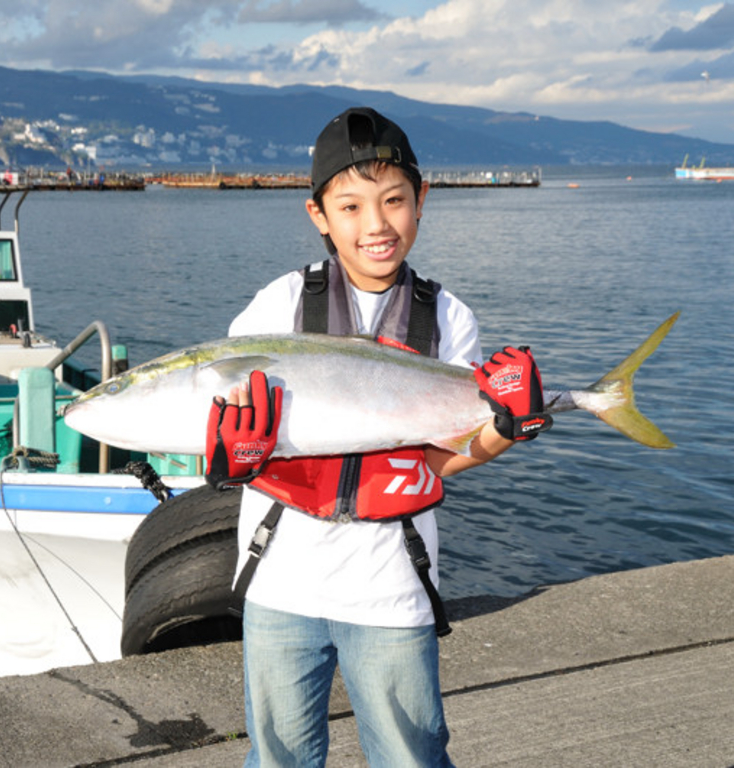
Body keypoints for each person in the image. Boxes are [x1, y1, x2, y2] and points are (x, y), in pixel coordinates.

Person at [204, 107, 552, 767]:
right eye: (352, 205)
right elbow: (227, 425)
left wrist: (506, 431)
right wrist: (234, 459)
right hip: (281, 584)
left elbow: (440, 460)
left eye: (394, 201)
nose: (376, 225)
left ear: (421, 201)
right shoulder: (278, 306)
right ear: (319, 215)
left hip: (392, 589)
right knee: (278, 760)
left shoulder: (448, 319)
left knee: (410, 757)